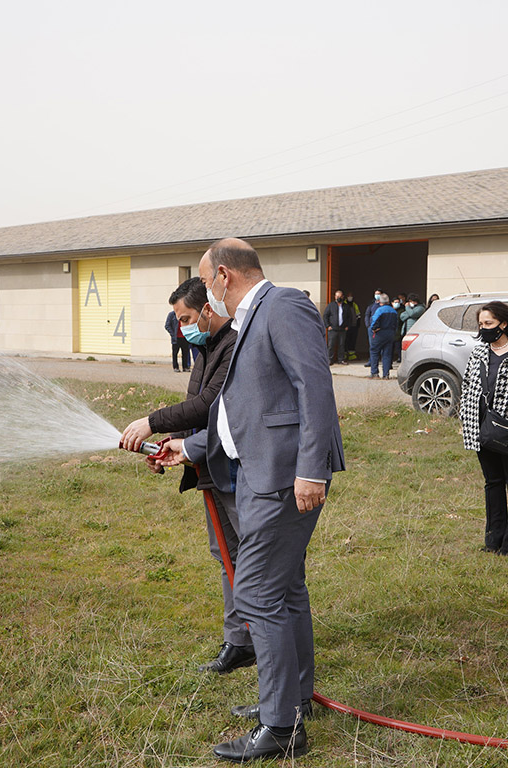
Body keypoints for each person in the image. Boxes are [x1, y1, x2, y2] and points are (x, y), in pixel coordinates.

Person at [156, 237, 344, 762]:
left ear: (222, 275)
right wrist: (191, 448)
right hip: (256, 473)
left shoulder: (281, 304)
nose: (205, 297)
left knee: (258, 594)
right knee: (284, 591)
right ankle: (295, 700)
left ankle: (281, 727)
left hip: (283, 478)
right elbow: (238, 408)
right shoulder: (243, 323)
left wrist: (312, 469)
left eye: (205, 280)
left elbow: (315, 387)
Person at [121, 278, 251, 675]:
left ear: (208, 310)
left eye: (187, 318)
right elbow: (197, 410)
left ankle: (262, 638)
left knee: (250, 559)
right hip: (208, 466)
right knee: (226, 557)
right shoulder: (206, 349)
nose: (182, 328)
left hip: (234, 473)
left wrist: (152, 423)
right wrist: (171, 443)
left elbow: (208, 404)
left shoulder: (233, 347)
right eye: (178, 320)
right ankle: (239, 642)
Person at [460, 301, 508, 555]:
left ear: (503, 323)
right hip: (481, 427)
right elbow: (468, 385)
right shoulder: (479, 351)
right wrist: (466, 418)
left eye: (488, 323)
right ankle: (493, 539)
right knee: (492, 482)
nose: (484, 329)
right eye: (481, 324)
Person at [368, 293, 398, 379]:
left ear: (380, 302)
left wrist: (374, 329)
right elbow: (396, 324)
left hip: (380, 334)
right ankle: (386, 374)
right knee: (387, 354)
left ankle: (374, 373)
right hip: (390, 334)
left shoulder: (379, 310)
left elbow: (374, 321)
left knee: (374, 352)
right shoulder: (393, 311)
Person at [322, 289, 350, 365]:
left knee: (341, 345)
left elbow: (349, 317)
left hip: (342, 329)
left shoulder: (346, 306)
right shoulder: (331, 305)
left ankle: (341, 359)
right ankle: (329, 360)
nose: (338, 297)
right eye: (337, 296)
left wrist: (347, 325)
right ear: (335, 297)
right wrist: (328, 326)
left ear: (343, 297)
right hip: (333, 329)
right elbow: (325, 316)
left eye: (340, 296)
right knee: (331, 345)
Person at [344, 293, 360, 361]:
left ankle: (352, 355)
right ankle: (344, 355)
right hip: (346, 326)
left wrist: (358, 324)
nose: (350, 297)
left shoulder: (354, 305)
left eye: (351, 296)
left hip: (354, 326)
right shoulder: (344, 304)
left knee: (352, 341)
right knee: (345, 340)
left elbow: (358, 315)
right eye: (349, 296)